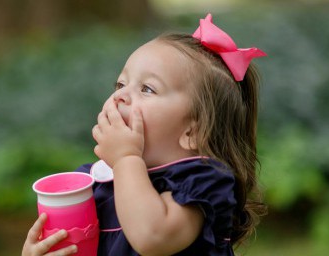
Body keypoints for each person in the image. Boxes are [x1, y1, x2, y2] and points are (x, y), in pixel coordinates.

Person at [23, 13, 266, 256]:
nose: (120, 95)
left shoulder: (201, 183)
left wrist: (126, 158)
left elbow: (153, 237)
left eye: (147, 88)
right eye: (120, 85)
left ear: (194, 131)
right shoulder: (95, 182)